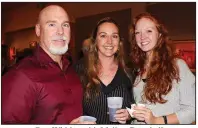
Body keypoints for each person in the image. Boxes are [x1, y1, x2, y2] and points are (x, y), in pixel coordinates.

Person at [2, 5, 95, 124]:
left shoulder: (70, 69)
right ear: (38, 30)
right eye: (52, 24)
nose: (61, 31)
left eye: (65, 25)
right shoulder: (20, 76)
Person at [129, 12, 195, 124]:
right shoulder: (138, 70)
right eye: (137, 32)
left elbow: (193, 110)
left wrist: (157, 121)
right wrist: (129, 114)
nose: (142, 37)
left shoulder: (177, 66)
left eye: (149, 31)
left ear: (159, 34)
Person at [82, 17, 135, 124]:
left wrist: (129, 114)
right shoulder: (81, 71)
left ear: (119, 42)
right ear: (95, 41)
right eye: (103, 35)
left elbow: (137, 106)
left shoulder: (130, 73)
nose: (109, 41)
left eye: (114, 36)